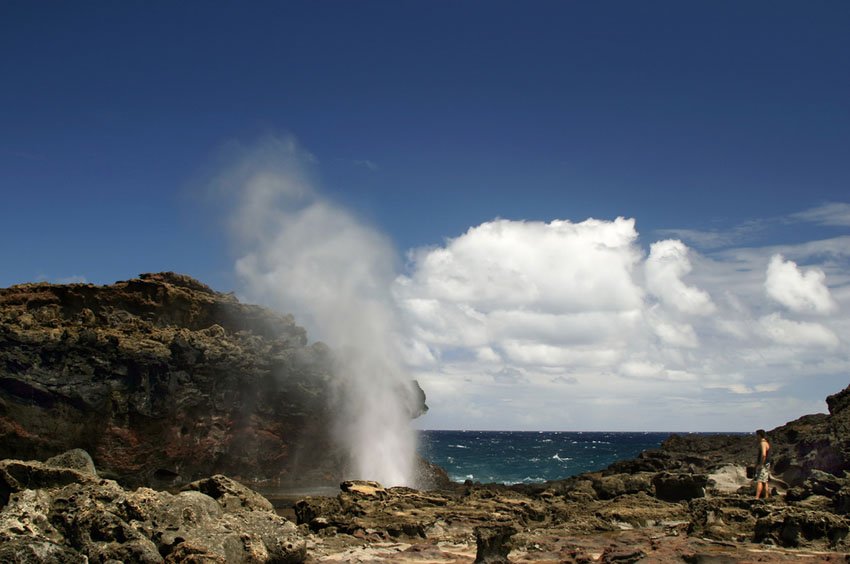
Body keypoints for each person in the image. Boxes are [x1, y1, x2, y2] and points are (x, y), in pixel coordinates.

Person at [754, 429, 771, 499]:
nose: (756, 437)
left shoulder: (763, 443)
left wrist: (761, 464)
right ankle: (766, 496)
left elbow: (763, 454)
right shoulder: (766, 443)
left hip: (763, 464)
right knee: (765, 481)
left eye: (757, 435)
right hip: (767, 463)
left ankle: (757, 497)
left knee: (760, 480)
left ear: (759, 435)